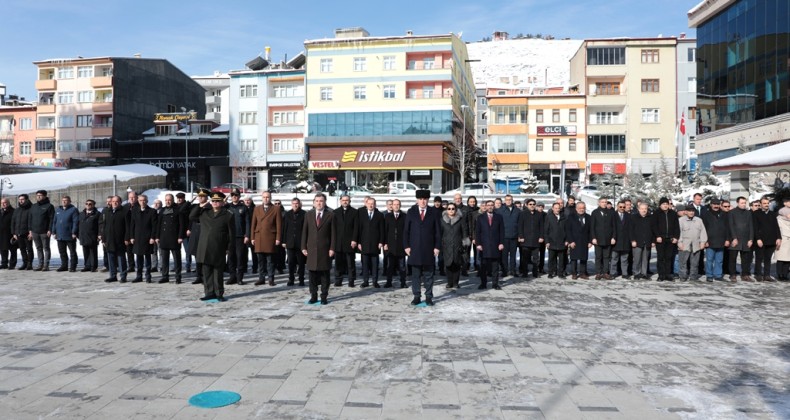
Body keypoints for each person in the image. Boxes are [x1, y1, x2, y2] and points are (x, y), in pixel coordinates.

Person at [190, 192, 235, 301]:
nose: (215, 203)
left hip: (219, 246)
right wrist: (200, 205)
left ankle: (219, 293)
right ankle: (209, 292)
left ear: (222, 202)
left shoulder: (228, 215)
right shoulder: (205, 213)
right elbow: (192, 216)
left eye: (217, 201)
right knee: (206, 272)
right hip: (205, 246)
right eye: (213, 201)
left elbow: (231, 233)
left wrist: (228, 248)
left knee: (217, 272)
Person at [404, 189, 441, 305]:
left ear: (428, 200)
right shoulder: (411, 212)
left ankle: (429, 296)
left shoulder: (433, 213)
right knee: (415, 275)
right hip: (414, 249)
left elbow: (438, 232)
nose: (423, 201)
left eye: (425, 199)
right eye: (420, 199)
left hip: (428, 249)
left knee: (429, 275)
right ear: (417, 200)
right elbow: (406, 231)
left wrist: (437, 246)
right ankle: (416, 296)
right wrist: (406, 246)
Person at [301, 193, 335, 304]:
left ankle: (324, 296)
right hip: (311, 250)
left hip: (325, 250)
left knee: (325, 275)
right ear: (313, 202)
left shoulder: (330, 215)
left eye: (321, 201)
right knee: (312, 276)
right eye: (317, 201)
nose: (319, 203)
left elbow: (334, 234)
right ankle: (313, 295)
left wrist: (332, 248)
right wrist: (303, 247)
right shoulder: (308, 215)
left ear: (325, 202)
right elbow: (304, 232)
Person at [251, 191, 282, 286]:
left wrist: (278, 238)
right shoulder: (257, 209)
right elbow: (253, 224)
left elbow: (279, 225)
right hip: (259, 236)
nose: (266, 199)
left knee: (270, 260)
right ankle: (261, 278)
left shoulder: (276, 209)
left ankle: (271, 279)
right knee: (260, 260)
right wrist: (252, 237)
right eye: (264, 197)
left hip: (270, 237)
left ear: (270, 198)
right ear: (262, 198)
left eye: (267, 197)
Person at [155, 194, 184, 284]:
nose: (168, 201)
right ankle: (165, 276)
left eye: (169, 200)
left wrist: (180, 237)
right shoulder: (162, 210)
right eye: (166, 200)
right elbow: (158, 225)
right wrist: (157, 236)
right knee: (164, 259)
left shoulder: (178, 210)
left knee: (177, 259)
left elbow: (182, 225)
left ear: (172, 200)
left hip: (174, 238)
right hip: (164, 237)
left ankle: (178, 277)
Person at [476, 200, 504, 289]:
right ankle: (483, 283)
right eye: (488, 205)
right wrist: (478, 244)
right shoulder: (480, 217)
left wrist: (501, 243)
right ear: (485, 206)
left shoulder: (499, 217)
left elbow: (502, 232)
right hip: (484, 246)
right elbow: (477, 232)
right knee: (483, 266)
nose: (490, 207)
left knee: (495, 266)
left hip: (495, 245)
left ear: (494, 206)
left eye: (492, 205)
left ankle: (495, 283)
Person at [440, 203, 469, 289]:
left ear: (456, 210)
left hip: (458, 246)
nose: (451, 210)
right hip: (446, 246)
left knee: (456, 265)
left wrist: (465, 244)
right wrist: (440, 244)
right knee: (448, 265)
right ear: (446, 210)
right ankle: (449, 282)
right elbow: (440, 234)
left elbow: (464, 232)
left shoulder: (461, 220)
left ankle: (456, 283)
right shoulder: (442, 220)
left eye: (453, 208)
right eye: (449, 209)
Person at [129, 195, 157, 283]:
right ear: (138, 201)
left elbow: (154, 226)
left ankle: (148, 275)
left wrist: (152, 237)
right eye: (141, 200)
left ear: (147, 201)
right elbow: (132, 225)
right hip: (137, 238)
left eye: (144, 200)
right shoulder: (134, 211)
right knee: (138, 257)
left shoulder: (152, 211)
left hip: (147, 238)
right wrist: (132, 236)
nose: (143, 202)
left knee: (147, 257)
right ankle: (139, 276)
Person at [100, 196, 128, 283]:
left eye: (116, 201)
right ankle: (113, 275)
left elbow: (127, 226)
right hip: (109, 240)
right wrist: (104, 239)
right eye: (113, 201)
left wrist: (127, 238)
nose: (114, 203)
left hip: (120, 239)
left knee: (121, 258)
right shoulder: (107, 212)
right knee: (111, 258)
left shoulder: (124, 212)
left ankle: (123, 276)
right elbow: (104, 227)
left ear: (120, 202)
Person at [357, 197, 384, 288]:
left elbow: (381, 230)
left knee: (375, 264)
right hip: (364, 243)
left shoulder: (379, 215)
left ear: (375, 205)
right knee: (365, 264)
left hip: (375, 243)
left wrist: (381, 241)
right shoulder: (361, 215)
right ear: (366, 204)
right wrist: (359, 242)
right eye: (369, 203)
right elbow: (359, 229)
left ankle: (375, 281)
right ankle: (365, 281)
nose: (371, 205)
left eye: (372, 203)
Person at [676, 204, 708, 281]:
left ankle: (693, 276)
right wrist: (679, 243)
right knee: (683, 262)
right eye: (689, 211)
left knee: (695, 263)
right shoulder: (681, 220)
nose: (691, 212)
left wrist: (703, 242)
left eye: (692, 211)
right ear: (686, 212)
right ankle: (683, 276)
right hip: (684, 244)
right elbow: (678, 232)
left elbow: (703, 231)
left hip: (696, 244)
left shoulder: (699, 220)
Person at [225, 188, 250, 285]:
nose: (234, 197)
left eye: (236, 195)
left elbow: (248, 222)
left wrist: (247, 235)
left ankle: (240, 278)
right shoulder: (227, 207)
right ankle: (232, 276)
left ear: (239, 196)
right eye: (232, 195)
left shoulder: (243, 208)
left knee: (240, 257)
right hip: (230, 236)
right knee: (231, 258)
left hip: (240, 236)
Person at [333, 195, 359, 287]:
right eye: (343, 200)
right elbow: (333, 228)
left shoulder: (354, 212)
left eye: (347, 200)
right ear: (340, 201)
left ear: (349, 201)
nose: (345, 202)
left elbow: (356, 228)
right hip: (338, 242)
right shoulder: (335, 212)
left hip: (350, 242)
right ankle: (338, 280)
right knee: (338, 263)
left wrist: (354, 240)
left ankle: (351, 280)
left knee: (350, 263)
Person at [753, 197, 781, 282]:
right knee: (759, 258)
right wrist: (758, 239)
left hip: (771, 240)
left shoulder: (773, 214)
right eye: (764, 203)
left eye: (767, 203)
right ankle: (758, 274)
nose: (766, 205)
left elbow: (776, 226)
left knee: (768, 259)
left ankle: (767, 275)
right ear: (760, 204)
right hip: (761, 240)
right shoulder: (756, 213)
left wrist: (779, 237)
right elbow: (755, 227)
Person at [727, 196, 754, 282]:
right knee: (732, 258)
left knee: (746, 259)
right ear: (737, 203)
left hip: (746, 239)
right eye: (742, 203)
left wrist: (751, 239)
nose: (743, 204)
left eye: (744, 203)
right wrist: (734, 238)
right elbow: (730, 226)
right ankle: (732, 274)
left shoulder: (748, 213)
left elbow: (751, 226)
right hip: (735, 239)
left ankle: (745, 274)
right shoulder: (732, 212)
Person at [653, 197, 680, 282]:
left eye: (666, 204)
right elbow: (654, 226)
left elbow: (676, 227)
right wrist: (657, 236)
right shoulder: (656, 213)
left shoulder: (673, 213)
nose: (665, 206)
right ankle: (661, 275)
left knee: (669, 257)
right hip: (660, 239)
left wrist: (676, 237)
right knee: (661, 257)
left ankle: (668, 274)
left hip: (670, 239)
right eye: (663, 204)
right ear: (660, 205)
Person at [282, 197, 306, 286]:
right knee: (291, 262)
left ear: (299, 204)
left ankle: (301, 279)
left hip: (300, 242)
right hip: (290, 242)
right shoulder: (287, 214)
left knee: (301, 263)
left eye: (297, 203)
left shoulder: (304, 214)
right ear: (291, 204)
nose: (295, 205)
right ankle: (291, 279)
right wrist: (284, 241)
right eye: (293, 203)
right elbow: (285, 228)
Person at [590, 197, 616, 280]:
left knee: (606, 257)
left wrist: (613, 237)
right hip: (598, 239)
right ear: (599, 203)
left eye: (605, 202)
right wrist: (593, 237)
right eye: (602, 202)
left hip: (608, 239)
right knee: (598, 257)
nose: (604, 203)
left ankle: (605, 272)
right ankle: (598, 273)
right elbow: (592, 227)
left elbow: (614, 227)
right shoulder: (595, 212)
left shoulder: (611, 213)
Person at [702, 198, 728, 282]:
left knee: (719, 260)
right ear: (711, 205)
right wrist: (705, 240)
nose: (716, 206)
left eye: (717, 204)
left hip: (721, 240)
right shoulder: (705, 214)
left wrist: (727, 239)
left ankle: (718, 275)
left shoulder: (724, 214)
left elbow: (728, 228)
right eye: (714, 204)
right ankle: (709, 275)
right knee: (709, 260)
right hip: (710, 241)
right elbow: (703, 229)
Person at [51, 195, 79, 272]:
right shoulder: (58, 210)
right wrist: (54, 231)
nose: (64, 201)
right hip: (60, 235)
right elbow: (54, 222)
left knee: (72, 252)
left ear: (70, 201)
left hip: (69, 235)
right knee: (62, 252)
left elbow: (75, 222)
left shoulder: (73, 210)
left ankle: (73, 266)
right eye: (63, 200)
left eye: (66, 200)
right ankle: (64, 265)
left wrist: (74, 232)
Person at [517, 199, 544, 279]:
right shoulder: (522, 214)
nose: (532, 205)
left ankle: (535, 273)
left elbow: (541, 227)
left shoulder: (539, 214)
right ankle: (524, 272)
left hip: (536, 239)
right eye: (530, 204)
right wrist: (521, 236)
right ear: (527, 205)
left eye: (533, 204)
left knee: (536, 258)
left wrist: (541, 237)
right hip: (525, 239)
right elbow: (520, 226)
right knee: (525, 257)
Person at [187, 189, 209, 284]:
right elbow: (191, 217)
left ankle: (205, 276)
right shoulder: (195, 206)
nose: (201, 198)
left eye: (203, 196)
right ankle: (198, 276)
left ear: (206, 197)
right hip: (196, 233)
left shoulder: (210, 207)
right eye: (199, 196)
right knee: (197, 256)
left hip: (205, 233)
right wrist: (195, 204)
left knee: (205, 256)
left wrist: (204, 207)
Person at [29, 189, 55, 271]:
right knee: (38, 248)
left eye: (40, 195)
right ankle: (40, 264)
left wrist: (50, 229)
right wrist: (30, 230)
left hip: (44, 231)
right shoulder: (33, 206)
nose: (38, 197)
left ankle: (46, 265)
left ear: (45, 196)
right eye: (37, 195)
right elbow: (30, 219)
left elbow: (52, 219)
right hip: (35, 231)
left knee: (46, 248)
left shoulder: (49, 206)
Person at [384, 199, 407, 288]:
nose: (396, 206)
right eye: (394, 204)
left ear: (400, 205)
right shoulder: (387, 216)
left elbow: (406, 231)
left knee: (402, 265)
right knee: (390, 265)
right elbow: (385, 231)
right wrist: (385, 243)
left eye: (398, 204)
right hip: (391, 244)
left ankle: (403, 282)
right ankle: (388, 282)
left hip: (401, 245)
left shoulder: (404, 216)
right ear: (392, 206)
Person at [495, 194, 520, 278]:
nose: (508, 201)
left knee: (513, 255)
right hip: (504, 236)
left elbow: (520, 224)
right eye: (507, 199)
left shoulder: (517, 210)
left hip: (514, 236)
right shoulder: (500, 210)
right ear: (504, 201)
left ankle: (513, 270)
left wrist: (519, 235)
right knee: (504, 256)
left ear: (512, 200)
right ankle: (504, 271)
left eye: (510, 199)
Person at [566, 202, 592, 279]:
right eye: (580, 208)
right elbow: (568, 230)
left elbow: (591, 230)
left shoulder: (588, 217)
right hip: (574, 241)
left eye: (583, 208)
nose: (581, 209)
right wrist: (571, 241)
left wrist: (590, 241)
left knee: (584, 258)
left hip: (584, 241)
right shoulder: (571, 217)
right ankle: (574, 273)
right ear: (576, 209)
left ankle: (582, 273)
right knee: (574, 258)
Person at [630, 202, 654, 280]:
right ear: (638, 209)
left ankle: (644, 273)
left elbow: (653, 230)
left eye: (645, 209)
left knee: (645, 259)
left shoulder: (651, 218)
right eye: (642, 209)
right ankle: (636, 273)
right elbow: (631, 230)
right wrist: (632, 240)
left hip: (647, 241)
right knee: (637, 259)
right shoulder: (633, 217)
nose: (644, 210)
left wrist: (653, 241)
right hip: (637, 241)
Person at [544, 202, 568, 279]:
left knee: (561, 259)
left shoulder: (564, 217)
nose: (557, 209)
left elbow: (567, 230)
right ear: (552, 208)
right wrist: (547, 241)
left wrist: (567, 240)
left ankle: (560, 273)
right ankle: (551, 272)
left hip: (562, 241)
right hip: (552, 241)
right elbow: (546, 230)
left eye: (558, 208)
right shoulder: (549, 217)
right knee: (551, 258)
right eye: (556, 208)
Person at [610, 200, 632, 279]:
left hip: (625, 241)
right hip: (616, 240)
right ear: (617, 206)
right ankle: (613, 273)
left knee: (624, 259)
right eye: (620, 207)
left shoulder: (628, 216)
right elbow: (611, 228)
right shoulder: (613, 215)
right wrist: (612, 237)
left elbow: (630, 229)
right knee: (614, 258)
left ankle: (624, 273)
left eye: (624, 207)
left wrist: (631, 240)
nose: (622, 208)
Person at [78, 199, 100, 272]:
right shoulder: (81, 214)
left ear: (93, 205)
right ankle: (87, 265)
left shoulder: (97, 214)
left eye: (90, 204)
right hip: (83, 236)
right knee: (85, 252)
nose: (88, 205)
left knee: (93, 252)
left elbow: (100, 226)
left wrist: (99, 235)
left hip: (92, 236)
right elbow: (79, 224)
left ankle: (93, 266)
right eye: (86, 203)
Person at [12, 194, 33, 270]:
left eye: (22, 199)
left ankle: (29, 263)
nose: (21, 201)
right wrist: (14, 233)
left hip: (27, 233)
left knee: (29, 249)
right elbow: (13, 222)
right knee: (22, 249)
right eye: (19, 199)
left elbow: (32, 221)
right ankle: (25, 263)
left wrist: (31, 232)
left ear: (27, 199)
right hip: (18, 233)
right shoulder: (17, 210)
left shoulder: (31, 208)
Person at [175, 192, 192, 273]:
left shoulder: (188, 206)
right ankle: (177, 265)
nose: (179, 199)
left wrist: (189, 229)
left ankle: (188, 266)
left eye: (181, 197)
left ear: (184, 198)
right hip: (176, 231)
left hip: (185, 231)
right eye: (178, 197)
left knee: (187, 250)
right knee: (175, 250)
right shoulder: (175, 206)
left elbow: (190, 219)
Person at [123, 190, 139, 272]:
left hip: (138, 232)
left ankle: (141, 266)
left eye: (133, 197)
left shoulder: (140, 206)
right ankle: (131, 266)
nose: (132, 199)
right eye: (130, 198)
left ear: (137, 198)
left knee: (139, 251)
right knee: (129, 251)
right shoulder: (125, 207)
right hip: (128, 231)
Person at [776, 199, 790, 281]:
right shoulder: (780, 216)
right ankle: (780, 274)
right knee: (781, 257)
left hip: (788, 238)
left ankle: (785, 274)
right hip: (782, 238)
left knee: (788, 258)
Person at [0, 198, 16, 269]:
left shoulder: (13, 211)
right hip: (1, 234)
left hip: (11, 233)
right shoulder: (0, 211)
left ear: (8, 203)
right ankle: (4, 263)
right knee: (3, 249)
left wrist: (15, 233)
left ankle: (12, 264)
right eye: (2, 203)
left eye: (5, 203)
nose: (3, 204)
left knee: (12, 249)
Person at [465, 196, 479, 273]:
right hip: (467, 235)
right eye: (471, 202)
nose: (472, 203)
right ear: (468, 202)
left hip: (475, 234)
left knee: (476, 251)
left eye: (474, 201)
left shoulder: (478, 210)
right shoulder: (465, 210)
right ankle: (466, 266)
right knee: (466, 251)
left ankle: (477, 266)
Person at [243, 196, 257, 274]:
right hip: (244, 232)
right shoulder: (241, 208)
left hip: (253, 232)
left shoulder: (255, 209)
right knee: (244, 251)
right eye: (246, 200)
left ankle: (255, 267)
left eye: (248, 200)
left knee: (254, 251)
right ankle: (244, 267)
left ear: (251, 201)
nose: (247, 202)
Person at [150, 199, 163, 273]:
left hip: (160, 235)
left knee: (161, 251)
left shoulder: (163, 212)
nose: (156, 205)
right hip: (153, 234)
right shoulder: (152, 212)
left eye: (158, 203)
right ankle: (154, 266)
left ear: (161, 204)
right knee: (153, 251)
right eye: (155, 203)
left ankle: (161, 266)